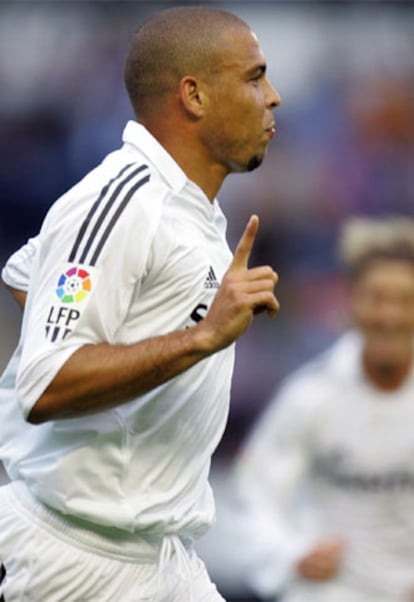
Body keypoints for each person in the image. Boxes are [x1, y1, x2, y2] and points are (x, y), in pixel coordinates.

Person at [0, 6, 281, 601]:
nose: (272, 97)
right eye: (254, 77)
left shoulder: (191, 208)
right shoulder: (125, 200)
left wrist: (127, 341)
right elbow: (44, 382)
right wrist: (198, 337)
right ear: (194, 96)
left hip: (161, 555)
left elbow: (27, 273)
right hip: (72, 559)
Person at [232, 215, 414, 602]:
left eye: (405, 300)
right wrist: (289, 555)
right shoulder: (311, 395)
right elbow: (254, 493)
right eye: (377, 298)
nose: (390, 316)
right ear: (351, 302)